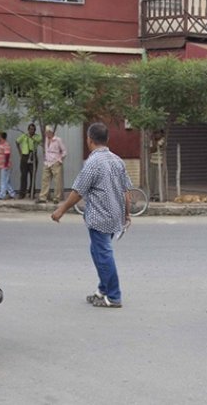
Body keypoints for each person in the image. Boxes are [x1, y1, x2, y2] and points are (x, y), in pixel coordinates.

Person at [51, 123, 132, 308]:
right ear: (107, 139)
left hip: (100, 217)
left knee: (103, 254)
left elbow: (78, 191)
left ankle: (113, 296)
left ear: (89, 140)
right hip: (114, 216)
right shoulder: (117, 160)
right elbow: (126, 191)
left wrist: (60, 210)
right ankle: (103, 289)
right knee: (97, 251)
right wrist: (127, 215)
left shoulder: (92, 163)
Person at [37, 125, 68, 204]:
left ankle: (56, 198)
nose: (46, 134)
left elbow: (64, 151)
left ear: (51, 132)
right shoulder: (46, 139)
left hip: (55, 162)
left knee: (57, 181)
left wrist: (60, 160)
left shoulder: (58, 140)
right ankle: (43, 197)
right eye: (46, 132)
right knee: (45, 180)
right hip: (47, 162)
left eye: (47, 132)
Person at [16, 123, 42, 199]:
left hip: (33, 155)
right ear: (28, 129)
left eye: (33, 129)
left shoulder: (37, 137)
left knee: (33, 175)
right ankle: (22, 193)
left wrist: (31, 137)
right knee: (23, 176)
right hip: (25, 156)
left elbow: (39, 140)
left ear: (35, 130)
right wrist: (20, 153)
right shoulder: (24, 136)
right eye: (30, 129)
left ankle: (32, 193)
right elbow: (17, 142)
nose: (31, 131)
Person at [0, 132, 17, 199]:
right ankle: (12, 193)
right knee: (6, 181)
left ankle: (2, 195)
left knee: (3, 180)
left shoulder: (6, 144)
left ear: (1, 137)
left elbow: (7, 154)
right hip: (1, 165)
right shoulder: (0, 144)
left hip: (5, 166)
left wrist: (5, 164)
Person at [148, 129, 165, 201]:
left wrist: (153, 139)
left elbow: (154, 148)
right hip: (152, 162)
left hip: (160, 163)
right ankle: (152, 195)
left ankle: (157, 195)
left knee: (158, 180)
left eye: (157, 133)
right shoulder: (153, 141)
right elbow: (151, 150)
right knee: (152, 180)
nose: (156, 135)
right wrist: (153, 140)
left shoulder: (163, 140)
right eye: (155, 133)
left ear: (161, 134)